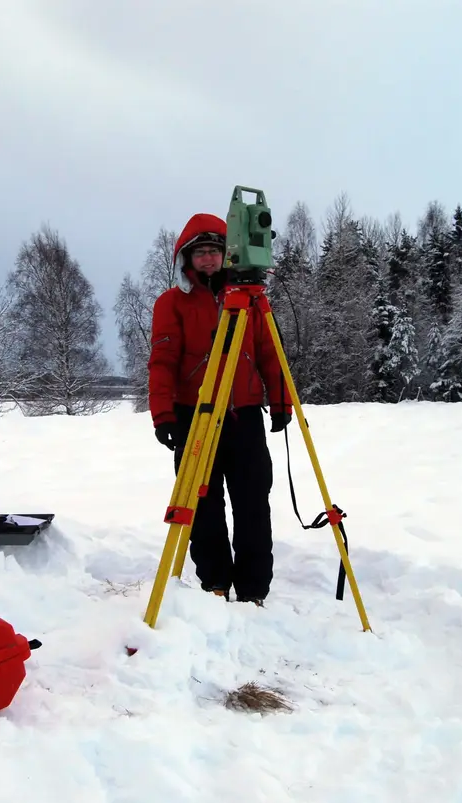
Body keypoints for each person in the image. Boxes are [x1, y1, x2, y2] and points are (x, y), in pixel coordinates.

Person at [146, 212, 292, 605]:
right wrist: (163, 415)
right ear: (186, 259)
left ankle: (253, 589)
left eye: (215, 251)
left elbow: (267, 353)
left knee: (252, 505)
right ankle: (214, 582)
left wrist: (280, 401)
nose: (208, 259)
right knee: (202, 506)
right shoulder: (172, 303)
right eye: (201, 253)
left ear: (229, 255)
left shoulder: (250, 300)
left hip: (244, 415)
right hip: (195, 415)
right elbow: (161, 361)